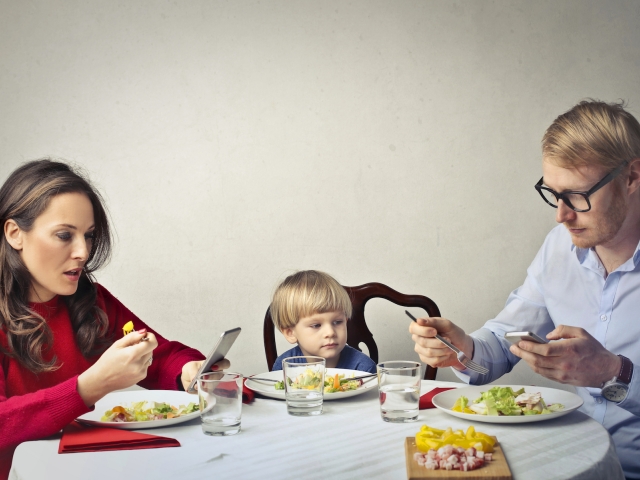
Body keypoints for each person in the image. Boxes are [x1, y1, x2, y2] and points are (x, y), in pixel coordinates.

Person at [409, 99, 640, 479]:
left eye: (577, 196)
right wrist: (462, 350)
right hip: (577, 465)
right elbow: (503, 343)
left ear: (631, 177)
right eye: (554, 193)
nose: (561, 215)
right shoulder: (559, 247)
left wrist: (614, 373)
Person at [0, 159, 228, 479]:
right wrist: (89, 387)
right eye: (64, 235)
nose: (83, 252)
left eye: (89, 235)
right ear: (15, 234)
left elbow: (160, 356)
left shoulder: (92, 301)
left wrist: (187, 371)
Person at [270, 270, 377, 373]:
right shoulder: (284, 367)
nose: (330, 332)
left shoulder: (363, 368)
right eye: (316, 325)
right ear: (290, 333)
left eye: (337, 322)